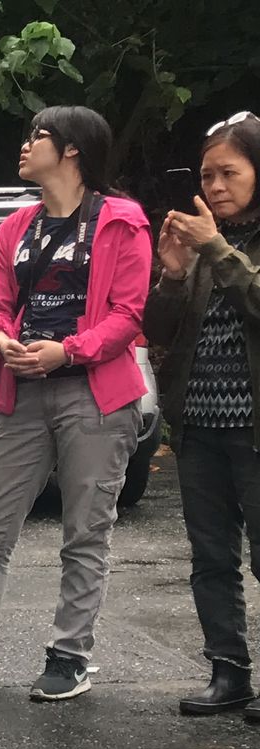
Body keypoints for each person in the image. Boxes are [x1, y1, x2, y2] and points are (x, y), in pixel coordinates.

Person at [0, 108, 150, 701]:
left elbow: (128, 315)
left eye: (37, 136)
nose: (25, 146)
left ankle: (70, 656)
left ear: (72, 150)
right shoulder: (18, 225)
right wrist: (0, 341)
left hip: (94, 392)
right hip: (22, 390)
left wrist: (65, 351)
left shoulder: (121, 221)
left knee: (85, 530)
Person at [145, 112, 260, 717]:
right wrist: (171, 274)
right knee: (212, 557)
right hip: (198, 424)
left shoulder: (222, 244)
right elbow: (158, 332)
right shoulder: (204, 243)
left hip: (254, 428)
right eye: (207, 174)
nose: (214, 186)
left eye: (229, 173)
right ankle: (228, 671)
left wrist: (216, 248)